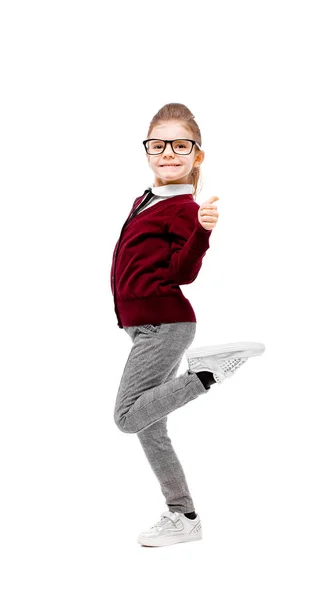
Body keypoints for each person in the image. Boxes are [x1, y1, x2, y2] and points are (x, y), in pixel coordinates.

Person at [111, 102, 265, 547]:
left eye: (180, 145)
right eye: (158, 144)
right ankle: (184, 517)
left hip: (165, 322)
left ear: (197, 154)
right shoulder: (146, 198)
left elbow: (183, 273)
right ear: (147, 150)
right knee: (148, 424)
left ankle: (206, 374)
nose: (168, 152)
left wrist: (201, 231)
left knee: (125, 417)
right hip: (146, 326)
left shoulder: (184, 208)